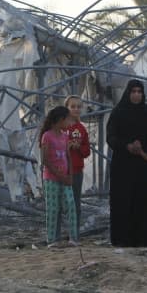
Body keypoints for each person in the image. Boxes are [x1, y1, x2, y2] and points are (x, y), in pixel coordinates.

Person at [106, 79, 147, 247]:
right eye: (133, 91)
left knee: (143, 201)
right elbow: (110, 137)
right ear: (128, 93)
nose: (136, 95)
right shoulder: (118, 112)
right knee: (122, 201)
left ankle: (142, 238)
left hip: (143, 164)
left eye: (139, 92)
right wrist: (127, 145)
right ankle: (121, 239)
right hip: (123, 165)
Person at [40, 106, 78, 247]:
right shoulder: (47, 136)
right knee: (53, 209)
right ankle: (52, 240)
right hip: (51, 179)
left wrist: (70, 175)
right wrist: (60, 176)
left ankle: (73, 238)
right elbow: (45, 160)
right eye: (67, 119)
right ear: (60, 119)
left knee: (70, 205)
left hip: (65, 178)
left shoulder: (64, 136)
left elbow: (68, 157)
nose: (69, 122)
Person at [64, 95, 90, 228]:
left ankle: (74, 231)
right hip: (62, 171)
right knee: (62, 201)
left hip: (76, 171)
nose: (76, 109)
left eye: (79, 107)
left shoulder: (82, 129)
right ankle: (60, 229)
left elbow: (87, 152)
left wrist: (79, 147)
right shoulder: (61, 128)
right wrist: (66, 145)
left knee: (75, 201)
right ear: (66, 108)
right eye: (72, 106)